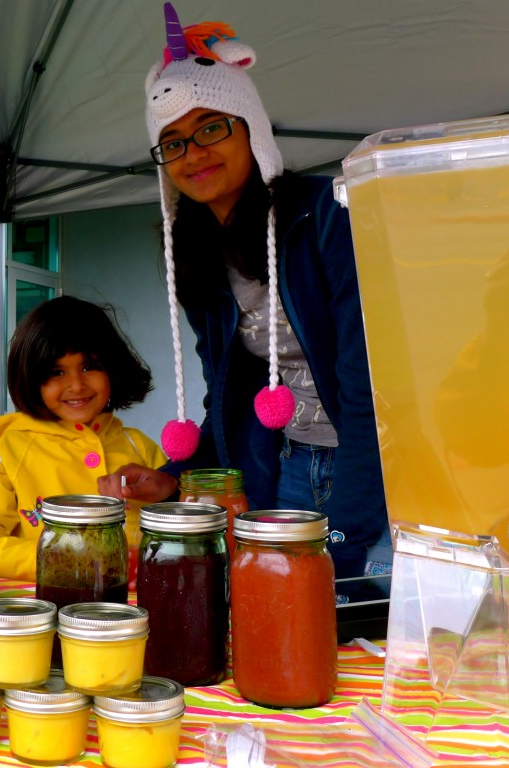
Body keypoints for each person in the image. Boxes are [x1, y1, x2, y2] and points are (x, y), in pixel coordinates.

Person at [98, 6, 389, 579]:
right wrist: (175, 479)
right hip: (283, 467)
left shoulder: (327, 215)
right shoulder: (196, 254)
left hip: (373, 473)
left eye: (210, 127)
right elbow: (227, 393)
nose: (194, 153)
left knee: (352, 612)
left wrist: (348, 532)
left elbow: (367, 385)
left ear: (250, 127)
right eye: (173, 142)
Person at [0, 296, 166, 580]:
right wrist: (60, 560)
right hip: (48, 609)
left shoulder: (139, 446)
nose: (76, 385)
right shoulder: (11, 452)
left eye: (89, 366)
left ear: (113, 367)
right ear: (29, 377)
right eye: (56, 372)